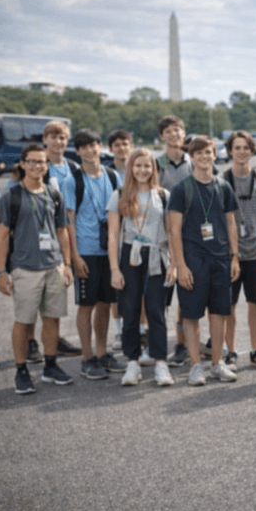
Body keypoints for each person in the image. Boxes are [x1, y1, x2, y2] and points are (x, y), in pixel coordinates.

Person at [0, 144, 74, 394]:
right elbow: (3, 235)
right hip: (25, 268)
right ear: (22, 164)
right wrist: (1, 271)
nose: (37, 166)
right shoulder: (11, 196)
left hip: (53, 266)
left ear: (47, 165)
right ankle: (21, 370)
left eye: (41, 162)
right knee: (23, 321)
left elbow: (62, 231)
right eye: (31, 161)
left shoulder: (54, 194)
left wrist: (67, 264)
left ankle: (50, 366)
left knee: (52, 318)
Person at [169, 136, 240, 385]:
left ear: (214, 154)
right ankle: (195, 365)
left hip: (220, 259)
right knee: (191, 315)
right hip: (193, 261)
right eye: (198, 153)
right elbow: (174, 231)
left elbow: (231, 223)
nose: (204, 156)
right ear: (191, 156)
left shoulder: (223, 187)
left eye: (208, 152)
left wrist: (235, 257)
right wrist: (180, 265)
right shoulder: (181, 189)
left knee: (220, 313)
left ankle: (217, 363)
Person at [107, 148, 177, 386]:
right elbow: (113, 235)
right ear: (131, 168)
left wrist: (174, 263)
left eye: (147, 166)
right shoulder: (119, 194)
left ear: (153, 169)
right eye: (138, 165)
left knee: (156, 311)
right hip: (130, 255)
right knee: (130, 310)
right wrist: (115, 269)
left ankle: (160, 363)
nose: (142, 170)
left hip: (157, 254)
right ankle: (132, 363)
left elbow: (171, 231)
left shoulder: (163, 195)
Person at [63, 128, 125, 380]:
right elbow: (68, 222)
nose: (90, 150)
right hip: (86, 251)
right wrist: (74, 257)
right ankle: (87, 358)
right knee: (86, 305)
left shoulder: (112, 176)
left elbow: (120, 211)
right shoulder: (72, 181)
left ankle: (102, 353)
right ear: (78, 151)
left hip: (108, 251)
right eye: (84, 146)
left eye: (94, 145)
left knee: (105, 304)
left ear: (101, 147)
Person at [222, 131, 256, 371]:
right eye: (237, 148)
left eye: (245, 148)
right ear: (230, 151)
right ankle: (230, 351)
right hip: (231, 254)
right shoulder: (222, 181)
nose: (241, 152)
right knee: (228, 305)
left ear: (252, 151)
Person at [154, 115, 194, 368]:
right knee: (161, 298)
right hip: (163, 238)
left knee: (186, 295)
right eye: (168, 131)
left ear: (184, 132)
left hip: (191, 237)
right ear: (162, 136)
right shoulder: (156, 165)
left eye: (178, 130)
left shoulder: (194, 161)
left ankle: (182, 344)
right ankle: (156, 345)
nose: (174, 134)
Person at [42, 120, 81, 358]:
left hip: (66, 233)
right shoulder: (39, 165)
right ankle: (31, 341)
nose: (59, 141)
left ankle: (55, 339)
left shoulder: (73, 167)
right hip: (43, 234)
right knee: (39, 292)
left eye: (63, 137)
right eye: (54, 136)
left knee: (57, 292)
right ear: (45, 139)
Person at [106, 129, 134, 353]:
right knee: (117, 287)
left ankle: (141, 330)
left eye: (125, 144)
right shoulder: (107, 173)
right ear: (111, 149)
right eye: (117, 145)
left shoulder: (140, 167)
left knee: (140, 289)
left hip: (138, 233)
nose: (122, 148)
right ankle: (118, 330)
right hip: (116, 231)